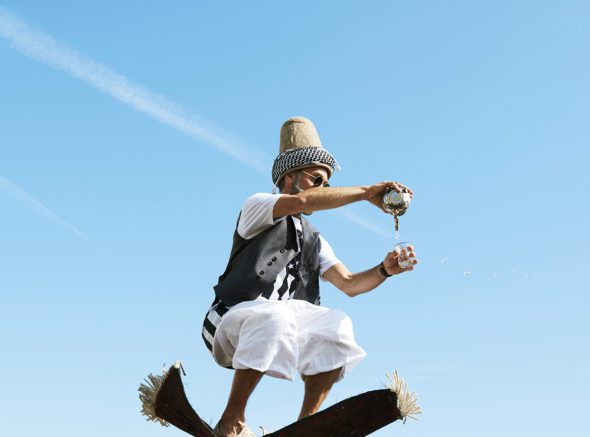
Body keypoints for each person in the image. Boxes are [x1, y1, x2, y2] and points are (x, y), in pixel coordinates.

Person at [202, 116, 418, 437]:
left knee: (338, 325)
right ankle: (231, 421)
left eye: (326, 184)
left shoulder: (314, 239)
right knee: (276, 315)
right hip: (229, 321)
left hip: (279, 327)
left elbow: (349, 284)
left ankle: (306, 426)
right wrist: (366, 192)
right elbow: (302, 201)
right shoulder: (258, 206)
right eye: (317, 179)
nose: (323, 190)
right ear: (290, 176)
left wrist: (384, 270)